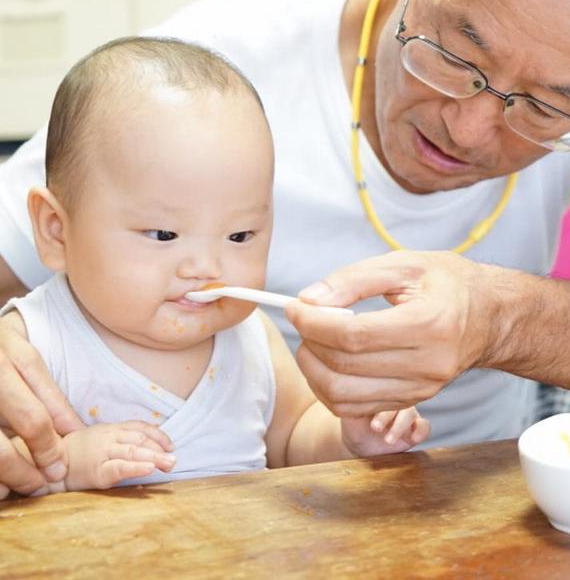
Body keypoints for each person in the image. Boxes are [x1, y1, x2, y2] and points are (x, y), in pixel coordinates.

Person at [0, 0, 570, 492]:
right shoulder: (191, 87)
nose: (470, 131)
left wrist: (504, 323)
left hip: (474, 499)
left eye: (545, 107)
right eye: (456, 55)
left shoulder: (247, 339)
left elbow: (298, 434)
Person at [0, 37, 428, 497]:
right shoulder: (32, 343)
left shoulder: (251, 337)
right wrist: (64, 465)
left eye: (240, 236)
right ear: (56, 231)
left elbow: (290, 439)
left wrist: (351, 435)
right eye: (164, 235)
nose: (207, 267)